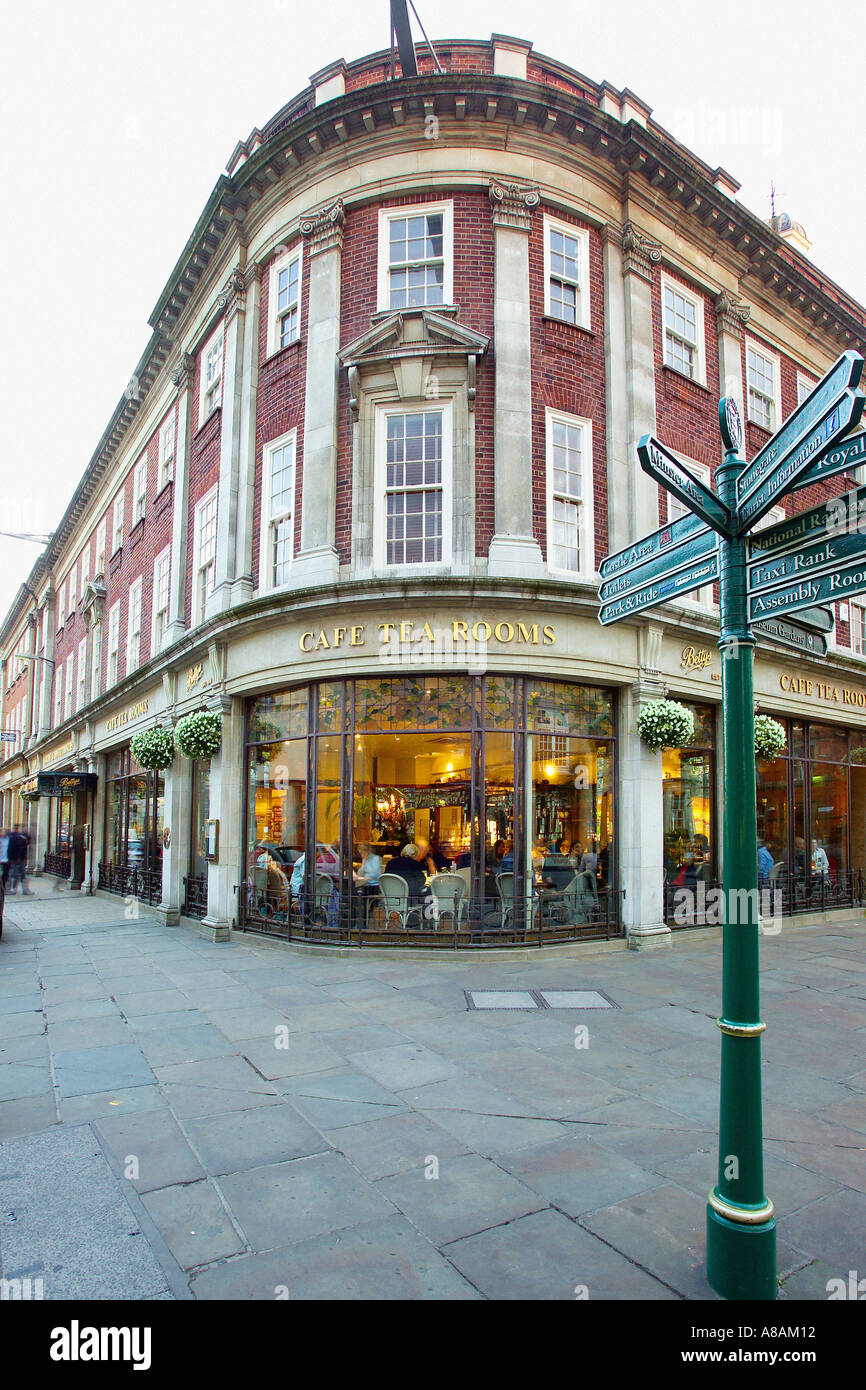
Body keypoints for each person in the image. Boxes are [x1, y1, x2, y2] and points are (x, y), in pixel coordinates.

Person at [6, 825, 33, 895]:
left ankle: (14, 889)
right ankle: (22, 889)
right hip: (19, 858)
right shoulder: (20, 837)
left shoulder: (11, 836)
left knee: (15, 874)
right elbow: (26, 845)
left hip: (15, 858)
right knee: (19, 874)